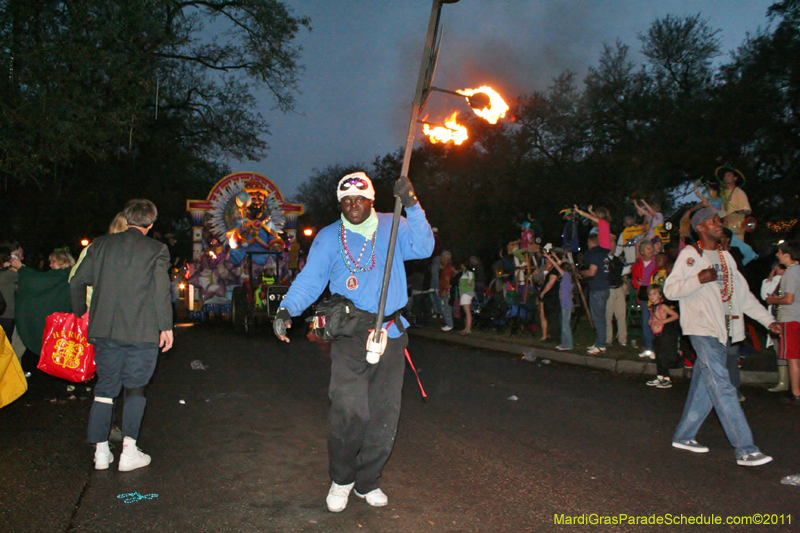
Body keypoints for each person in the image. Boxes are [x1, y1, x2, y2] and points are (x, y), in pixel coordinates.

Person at [272, 172, 434, 512]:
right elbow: (311, 279)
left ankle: (367, 482)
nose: (352, 206)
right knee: (349, 409)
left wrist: (414, 204)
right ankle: (342, 479)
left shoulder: (394, 225)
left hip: (389, 331)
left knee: (384, 412)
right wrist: (287, 309)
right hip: (349, 331)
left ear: (372, 200)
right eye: (345, 201)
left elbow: (424, 247)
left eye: (359, 199)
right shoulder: (330, 237)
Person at [664, 208, 780, 467]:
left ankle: (684, 436)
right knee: (723, 385)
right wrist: (698, 279)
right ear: (701, 228)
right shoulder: (690, 256)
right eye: (713, 221)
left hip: (724, 331)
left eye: (719, 221)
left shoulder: (726, 257)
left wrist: (768, 321)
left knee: (707, 385)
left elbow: (744, 296)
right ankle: (746, 449)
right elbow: (670, 290)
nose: (720, 224)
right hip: (702, 329)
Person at [70, 199, 174, 472]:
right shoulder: (157, 249)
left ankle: (101, 453)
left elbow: (77, 281)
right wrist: (166, 326)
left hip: (105, 330)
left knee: (105, 388)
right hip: (142, 331)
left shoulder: (101, 245)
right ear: (150, 224)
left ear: (127, 219)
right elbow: (160, 291)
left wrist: (80, 313)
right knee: (136, 388)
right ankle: (129, 451)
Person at [12, 248, 75, 356]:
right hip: (63, 322)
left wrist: (21, 268)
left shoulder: (62, 275)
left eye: (53, 262)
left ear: (62, 261)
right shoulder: (70, 275)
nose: (50, 265)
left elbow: (37, 281)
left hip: (59, 323)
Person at [766, 240, 800, 405]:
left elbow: (788, 299)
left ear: (787, 255)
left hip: (791, 319)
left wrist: (773, 300)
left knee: (792, 357)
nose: (777, 255)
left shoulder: (791, 273)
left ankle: (795, 393)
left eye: (779, 252)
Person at [645, 284, 680, 389]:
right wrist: (651, 321)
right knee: (658, 355)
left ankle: (667, 378)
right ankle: (660, 376)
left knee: (664, 355)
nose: (651, 296)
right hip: (656, 335)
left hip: (664, 334)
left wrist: (663, 321)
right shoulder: (652, 307)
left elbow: (675, 315)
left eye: (654, 294)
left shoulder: (663, 306)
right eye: (650, 294)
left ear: (660, 295)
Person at [580, 233, 610, 354]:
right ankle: (599, 342)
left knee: (598, 318)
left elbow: (592, 272)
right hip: (605, 287)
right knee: (601, 317)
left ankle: (601, 344)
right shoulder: (604, 253)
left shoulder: (594, 253)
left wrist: (582, 273)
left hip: (597, 288)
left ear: (591, 241)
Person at [761, 262, 788, 392]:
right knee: (780, 350)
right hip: (776, 320)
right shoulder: (775, 280)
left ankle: (790, 383)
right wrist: (772, 278)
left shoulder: (790, 278)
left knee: (790, 352)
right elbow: (765, 294)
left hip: (788, 319)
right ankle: (784, 382)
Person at [631, 239, 657, 359]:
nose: (650, 250)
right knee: (646, 321)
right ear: (641, 251)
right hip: (643, 294)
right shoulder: (638, 262)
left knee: (656, 320)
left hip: (655, 294)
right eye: (647, 248)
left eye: (651, 248)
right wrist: (637, 283)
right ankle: (648, 347)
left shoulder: (657, 261)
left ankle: (656, 347)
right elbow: (634, 278)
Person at [544, 253, 574, 351]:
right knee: (563, 322)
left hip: (566, 303)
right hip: (565, 302)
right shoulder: (570, 276)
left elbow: (557, 266)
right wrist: (555, 256)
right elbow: (561, 263)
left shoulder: (566, 276)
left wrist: (548, 257)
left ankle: (569, 344)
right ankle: (564, 343)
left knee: (565, 324)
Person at [717, 167, 751, 241]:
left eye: (729, 175)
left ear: (735, 178)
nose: (726, 177)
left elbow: (748, 210)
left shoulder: (739, 192)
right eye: (725, 176)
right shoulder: (722, 194)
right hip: (724, 228)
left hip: (736, 229)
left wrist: (736, 213)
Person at [606, 238, 627, 347]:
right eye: (611, 244)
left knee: (621, 315)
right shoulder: (604, 260)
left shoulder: (616, 260)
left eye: (614, 244)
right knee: (608, 316)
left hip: (618, 289)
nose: (613, 246)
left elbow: (621, 272)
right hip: (609, 289)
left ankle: (622, 338)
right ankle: (608, 339)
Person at [439, 251, 456, 332]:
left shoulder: (447, 268)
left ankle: (449, 324)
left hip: (447, 290)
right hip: (448, 289)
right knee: (447, 307)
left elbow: (446, 279)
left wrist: (445, 289)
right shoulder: (448, 266)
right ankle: (449, 324)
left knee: (446, 307)